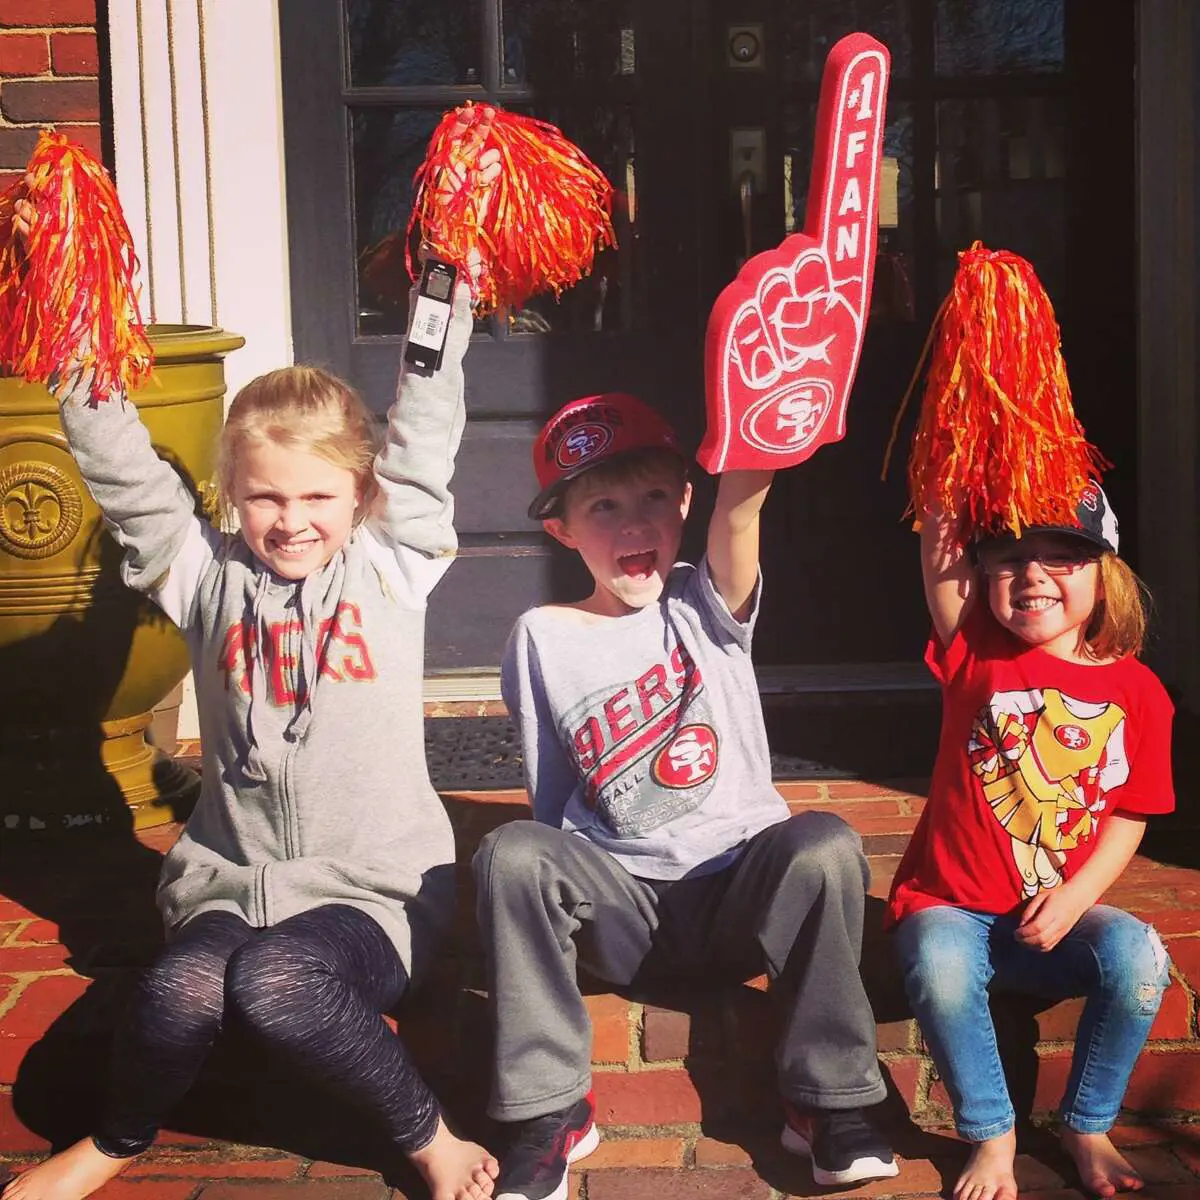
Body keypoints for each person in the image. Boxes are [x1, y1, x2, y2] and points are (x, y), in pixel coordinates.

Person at [2, 191, 497, 1200]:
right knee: (178, 986)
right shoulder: (203, 576)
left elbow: (427, 424)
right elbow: (127, 473)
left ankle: (427, 1138)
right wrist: (74, 331)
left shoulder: (392, 565)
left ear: (360, 498)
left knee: (278, 986)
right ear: (232, 494)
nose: (291, 519)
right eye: (267, 495)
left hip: (375, 893)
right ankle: (115, 1142)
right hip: (229, 885)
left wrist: (444, 290)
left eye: (318, 496)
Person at [473, 392, 898, 1200]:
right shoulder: (542, 635)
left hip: (741, 898)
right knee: (513, 854)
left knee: (826, 843)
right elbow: (552, 799)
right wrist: (554, 881)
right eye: (603, 506)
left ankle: (827, 1103)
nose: (634, 525)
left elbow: (743, 508)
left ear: (685, 502)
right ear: (561, 529)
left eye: (654, 499)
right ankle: (548, 1113)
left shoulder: (705, 604)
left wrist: (772, 399)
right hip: (623, 911)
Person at [888, 483, 1175, 1200]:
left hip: (1054, 920)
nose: (1034, 574)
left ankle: (1087, 1125)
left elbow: (1132, 813)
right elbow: (940, 544)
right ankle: (993, 1134)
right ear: (981, 576)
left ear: (1105, 571)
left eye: (1064, 556)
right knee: (940, 964)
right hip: (951, 907)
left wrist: (1078, 898)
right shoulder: (974, 648)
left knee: (1139, 957)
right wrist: (957, 445)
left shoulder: (1142, 693)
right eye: (1009, 558)